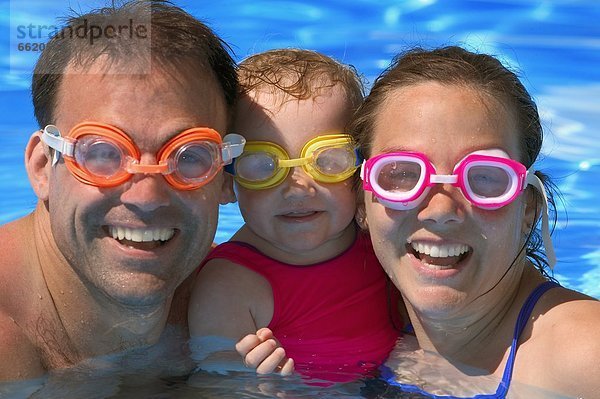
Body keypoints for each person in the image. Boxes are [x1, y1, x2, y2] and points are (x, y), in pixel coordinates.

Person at [0, 0, 244, 381]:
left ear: (225, 178)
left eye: (189, 156)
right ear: (43, 167)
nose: (146, 198)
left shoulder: (235, 302)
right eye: (102, 153)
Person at [350, 46, 600, 398]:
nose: (439, 209)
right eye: (403, 174)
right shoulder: (352, 323)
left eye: (483, 177)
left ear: (528, 208)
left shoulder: (584, 357)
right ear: (361, 203)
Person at [188, 49, 402, 382]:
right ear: (227, 183)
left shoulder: (381, 241)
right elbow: (217, 388)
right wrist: (257, 388)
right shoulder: (230, 287)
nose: (298, 188)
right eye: (264, 165)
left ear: (360, 169)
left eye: (328, 160)